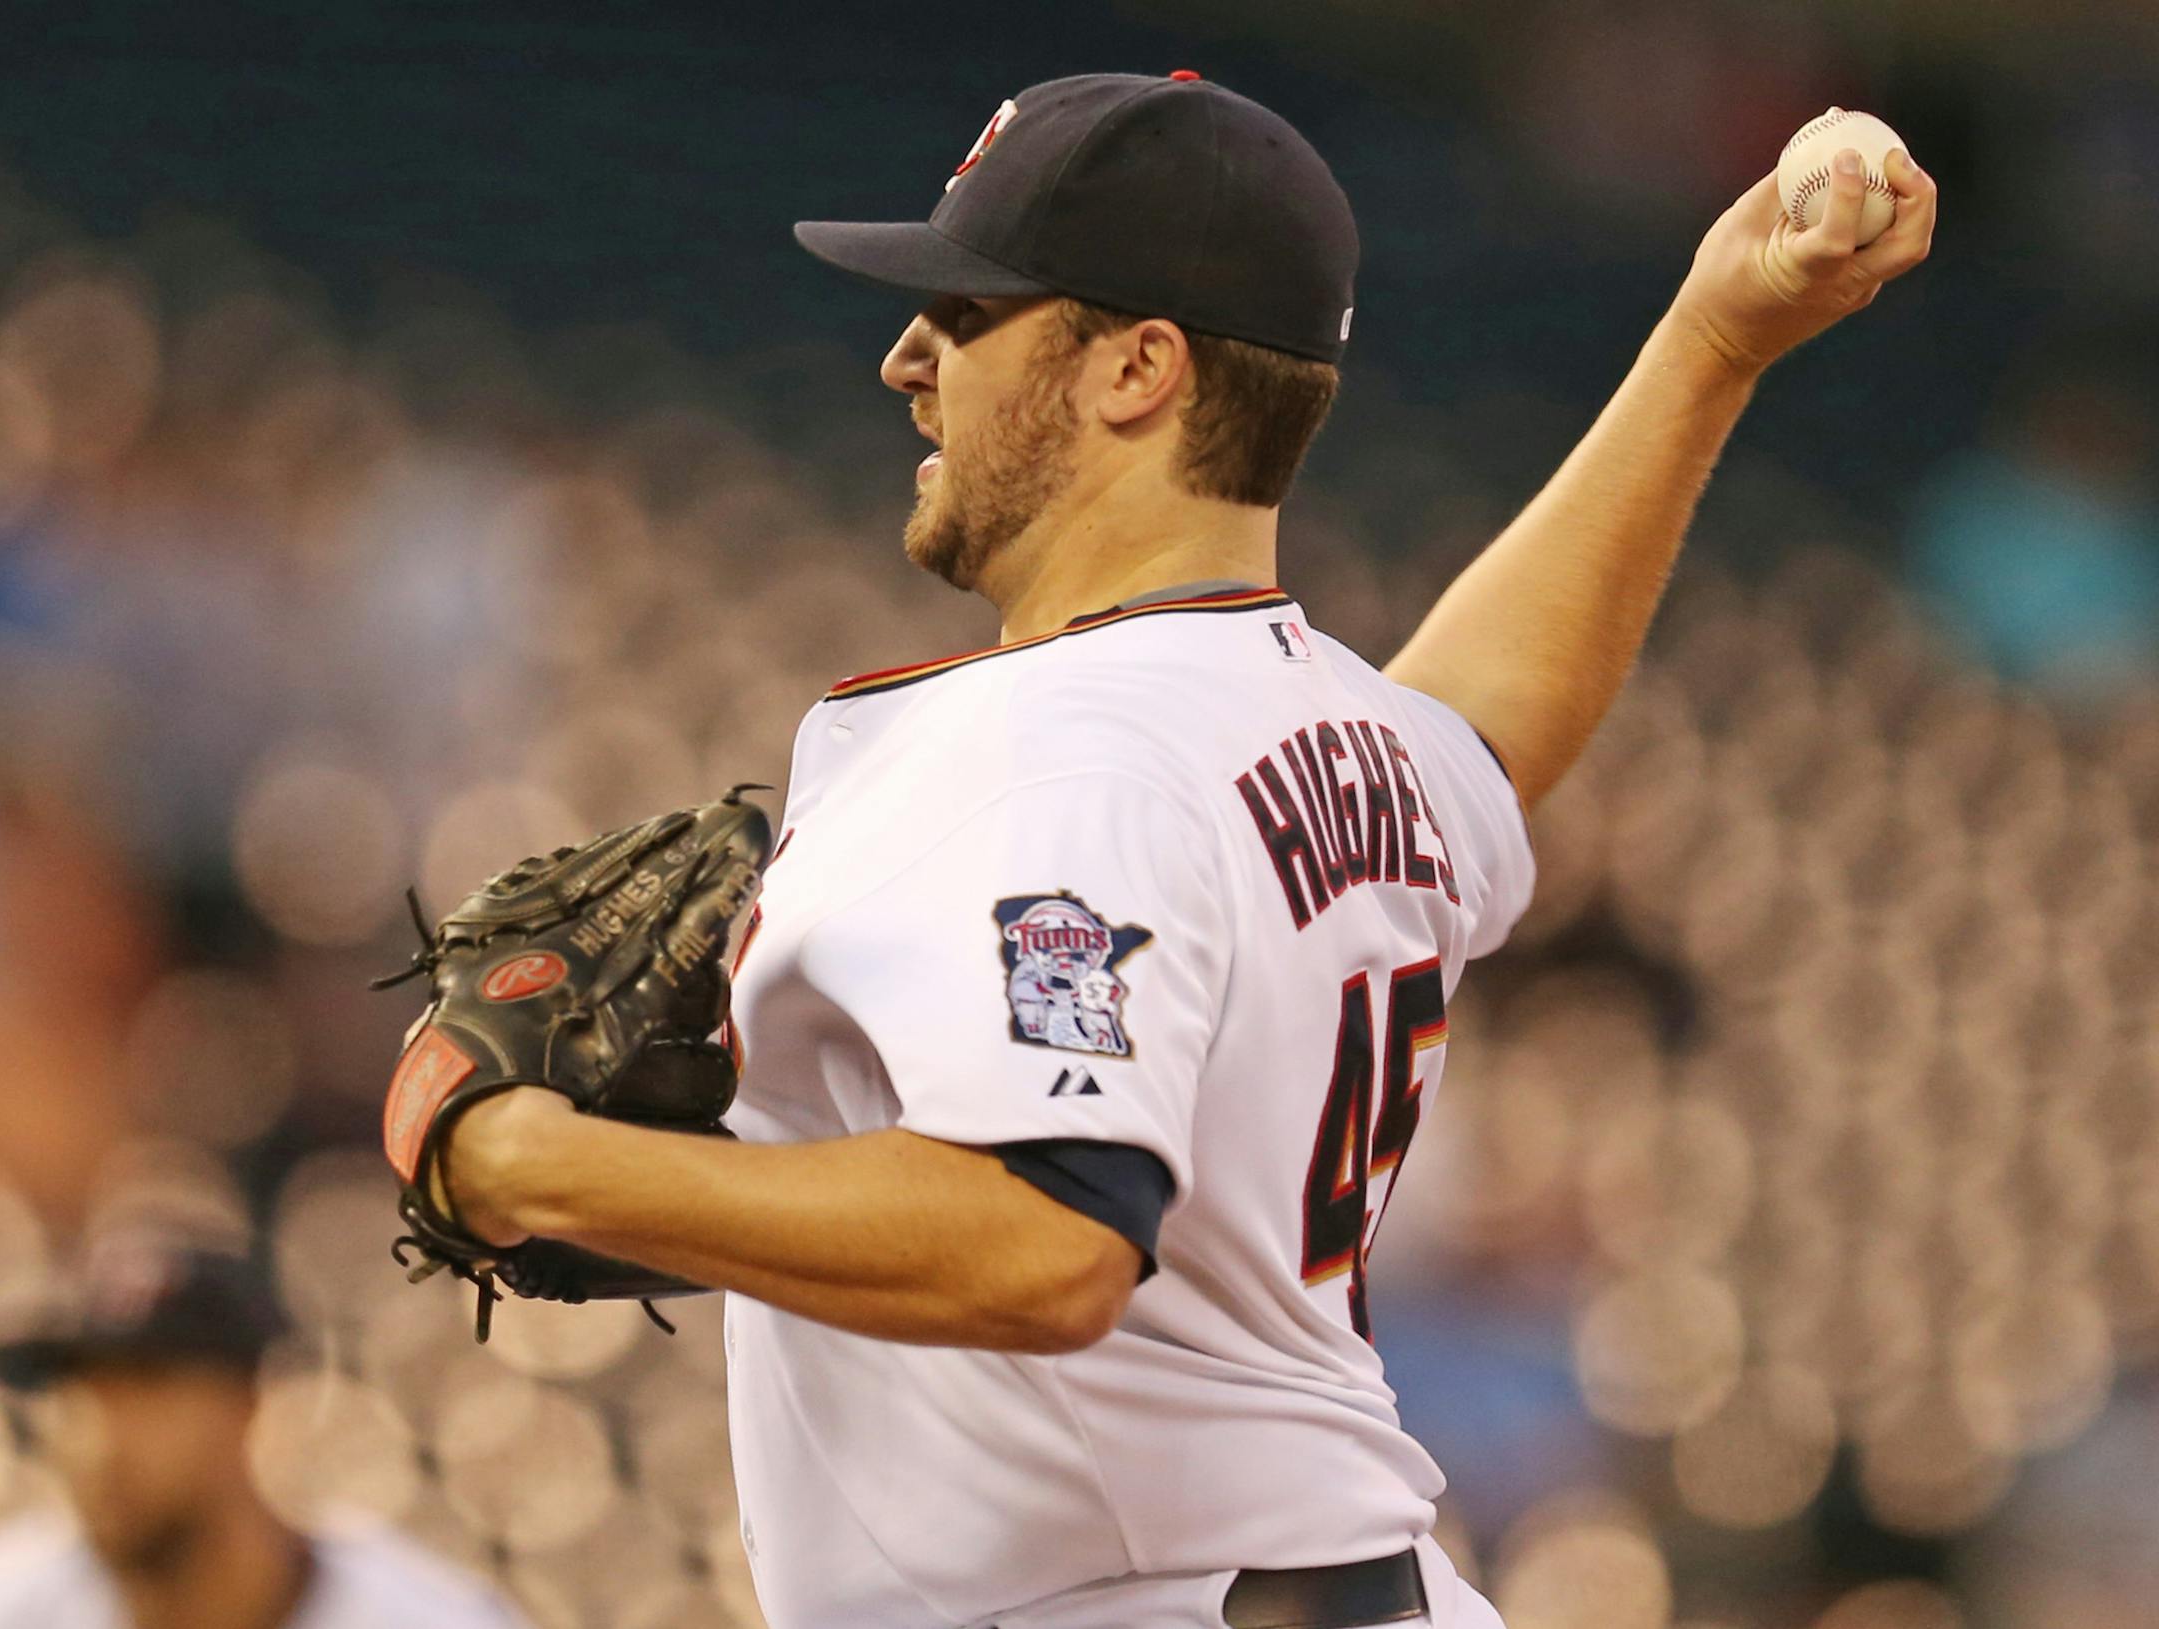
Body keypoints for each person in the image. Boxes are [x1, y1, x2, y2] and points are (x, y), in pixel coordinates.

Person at [425, 71, 1935, 1629]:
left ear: (1137, 367)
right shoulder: (1329, 729)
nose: (905, 361)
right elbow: (1493, 723)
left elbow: (1048, 1245)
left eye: (964, 314)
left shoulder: (1062, 755)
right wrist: (1709, 345)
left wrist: (530, 1164)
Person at [0, 1226, 531, 1629]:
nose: (99, 1435)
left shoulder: (427, 1618)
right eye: (76, 1391)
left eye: (146, 1387)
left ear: (248, 1401)